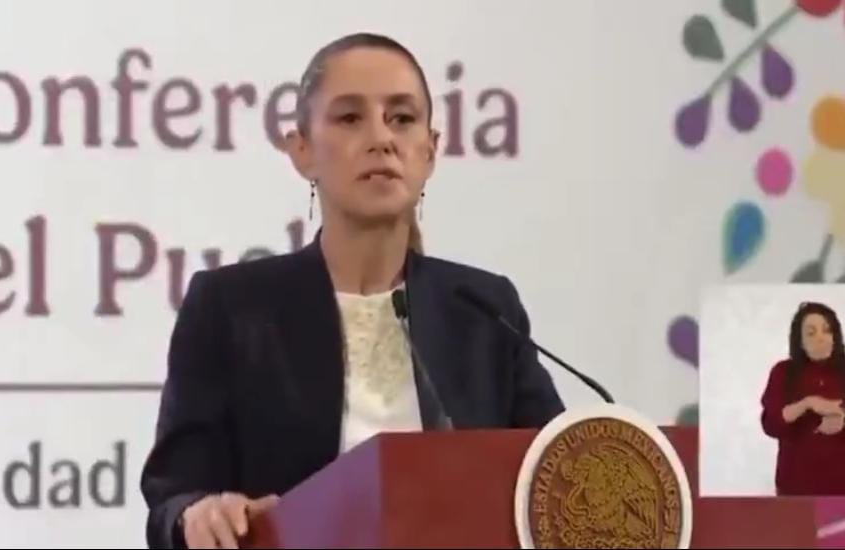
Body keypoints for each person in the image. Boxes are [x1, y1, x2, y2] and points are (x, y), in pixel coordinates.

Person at [139, 33, 565, 549]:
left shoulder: (485, 309)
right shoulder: (231, 307)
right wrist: (200, 513)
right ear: (301, 150)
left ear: (430, 151)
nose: (381, 138)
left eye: (402, 118)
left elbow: (559, 474)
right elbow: (173, 497)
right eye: (349, 118)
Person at [759, 301, 845, 496]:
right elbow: (771, 424)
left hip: (841, 487)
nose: (820, 338)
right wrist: (808, 403)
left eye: (827, 331)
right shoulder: (782, 372)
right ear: (800, 341)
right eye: (811, 333)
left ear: (835, 336)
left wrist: (844, 417)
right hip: (793, 488)